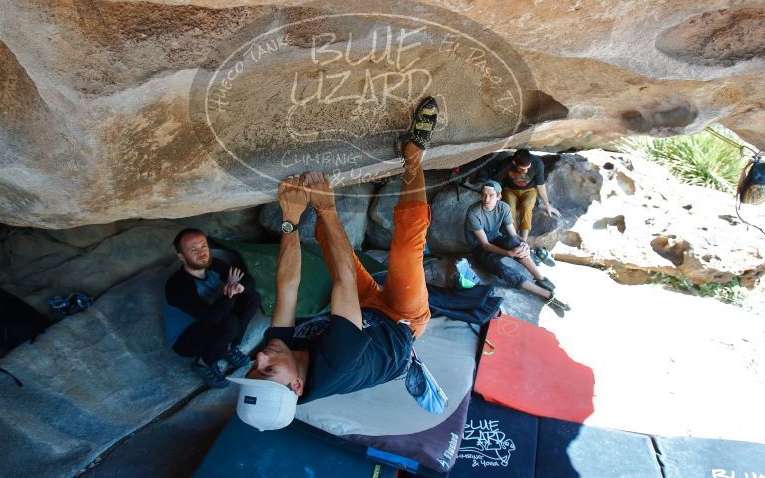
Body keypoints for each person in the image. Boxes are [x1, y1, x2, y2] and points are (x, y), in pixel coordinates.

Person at [229, 97, 440, 431]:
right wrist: (326, 207)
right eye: (268, 370)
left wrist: (290, 218)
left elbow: (287, 287)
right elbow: (342, 281)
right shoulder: (337, 363)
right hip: (402, 321)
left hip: (362, 313)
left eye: (254, 367)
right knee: (407, 248)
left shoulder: (280, 353)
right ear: (296, 387)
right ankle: (413, 153)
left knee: (325, 239)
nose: (261, 357)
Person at [164, 228, 261, 388]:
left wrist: (239, 287)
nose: (202, 252)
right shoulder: (178, 285)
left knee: (252, 298)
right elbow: (212, 318)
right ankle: (203, 363)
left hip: (215, 315)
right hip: (186, 338)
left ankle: (229, 347)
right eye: (193, 249)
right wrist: (230, 291)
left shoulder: (214, 265)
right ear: (182, 257)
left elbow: (248, 280)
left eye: (203, 246)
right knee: (228, 323)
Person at [465, 180, 570, 311]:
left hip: (496, 239)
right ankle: (547, 295)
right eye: (484, 195)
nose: (486, 199)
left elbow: (513, 235)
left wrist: (524, 245)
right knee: (503, 269)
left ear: (499, 197)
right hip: (479, 249)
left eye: (491, 195)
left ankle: (540, 279)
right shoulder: (473, 213)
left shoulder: (503, 207)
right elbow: (485, 245)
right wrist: (509, 253)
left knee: (515, 243)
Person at [493, 149, 560, 242]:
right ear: (514, 163)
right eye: (523, 169)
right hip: (510, 190)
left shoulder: (537, 163)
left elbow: (541, 185)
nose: (526, 170)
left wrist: (547, 205)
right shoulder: (506, 165)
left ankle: (523, 240)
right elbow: (497, 181)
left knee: (527, 208)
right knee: (510, 210)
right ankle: (515, 239)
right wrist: (496, 194)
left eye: (528, 167)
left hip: (530, 190)